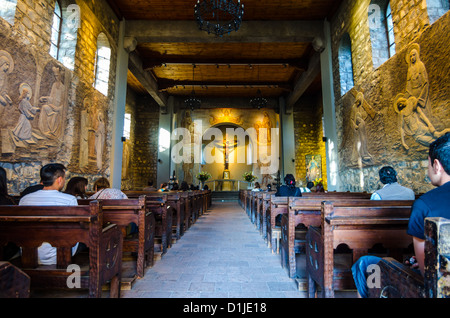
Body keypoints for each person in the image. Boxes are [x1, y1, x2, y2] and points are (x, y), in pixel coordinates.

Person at [352, 132, 450, 298]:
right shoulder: (410, 192)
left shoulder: (424, 205)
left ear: (436, 165)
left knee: (365, 264)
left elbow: (427, 269)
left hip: (441, 288)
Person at [19, 163, 79, 265]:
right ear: (59, 180)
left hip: (28, 254)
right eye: (64, 178)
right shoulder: (69, 200)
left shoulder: (25, 199)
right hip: (58, 256)